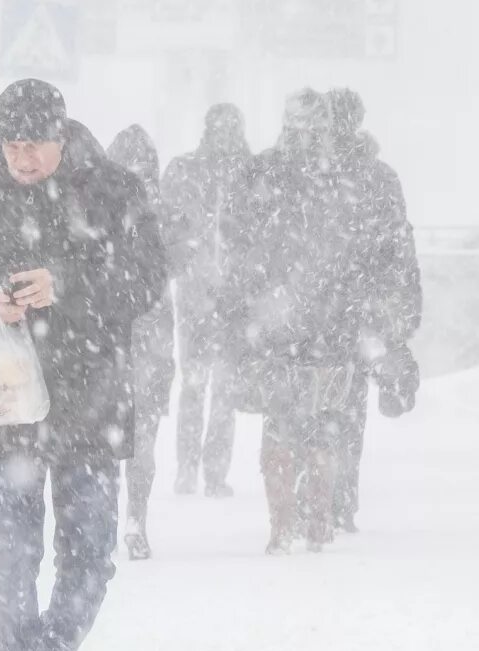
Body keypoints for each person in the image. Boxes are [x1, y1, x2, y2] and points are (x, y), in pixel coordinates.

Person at [0, 79, 165, 651]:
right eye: (13, 147)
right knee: (9, 558)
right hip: (8, 406)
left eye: (35, 146)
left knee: (89, 555)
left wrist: (67, 285)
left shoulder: (114, 191)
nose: (23, 160)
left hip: (91, 403)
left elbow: (147, 279)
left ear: (62, 137)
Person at [228, 89, 373, 553]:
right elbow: (355, 246)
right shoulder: (337, 177)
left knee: (282, 422)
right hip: (319, 319)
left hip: (282, 319)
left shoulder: (266, 170)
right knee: (320, 424)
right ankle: (313, 521)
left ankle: (285, 524)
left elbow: (239, 238)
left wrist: (253, 297)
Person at [326, 89, 423, 533]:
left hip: (322, 307)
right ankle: (340, 501)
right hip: (359, 308)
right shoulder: (380, 176)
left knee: (318, 406)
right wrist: (400, 309)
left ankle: (320, 499)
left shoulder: (312, 172)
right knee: (347, 410)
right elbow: (400, 248)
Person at [158, 105, 253, 498]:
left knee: (217, 386)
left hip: (226, 294)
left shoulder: (246, 173)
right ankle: (195, 470)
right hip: (204, 294)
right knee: (203, 384)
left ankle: (206, 472)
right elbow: (166, 228)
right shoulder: (246, 173)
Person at [107, 125, 176, 560]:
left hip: (105, 331)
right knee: (143, 433)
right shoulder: (163, 210)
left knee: (104, 434)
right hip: (150, 331)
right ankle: (136, 517)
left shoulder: (95, 203)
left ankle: (113, 517)